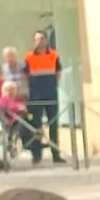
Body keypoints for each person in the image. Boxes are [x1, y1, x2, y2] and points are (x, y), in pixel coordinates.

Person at [25, 31, 64, 165]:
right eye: (37, 39)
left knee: (53, 124)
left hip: (50, 94)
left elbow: (58, 71)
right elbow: (25, 75)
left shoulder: (54, 55)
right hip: (35, 96)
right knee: (36, 125)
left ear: (46, 40)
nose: (39, 41)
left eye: (42, 38)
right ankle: (36, 155)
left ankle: (56, 154)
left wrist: (53, 85)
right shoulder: (29, 57)